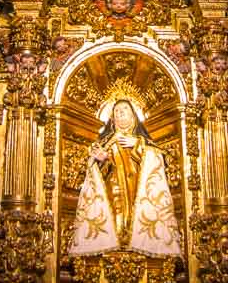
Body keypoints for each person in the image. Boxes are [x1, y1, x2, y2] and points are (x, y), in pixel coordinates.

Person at [67, 99, 181, 258]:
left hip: (139, 192)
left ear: (133, 116)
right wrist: (101, 160)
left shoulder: (143, 141)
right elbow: (95, 175)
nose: (120, 113)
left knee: (136, 222)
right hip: (113, 192)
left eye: (124, 109)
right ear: (112, 119)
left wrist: (138, 145)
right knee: (117, 223)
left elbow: (159, 161)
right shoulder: (105, 142)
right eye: (117, 111)